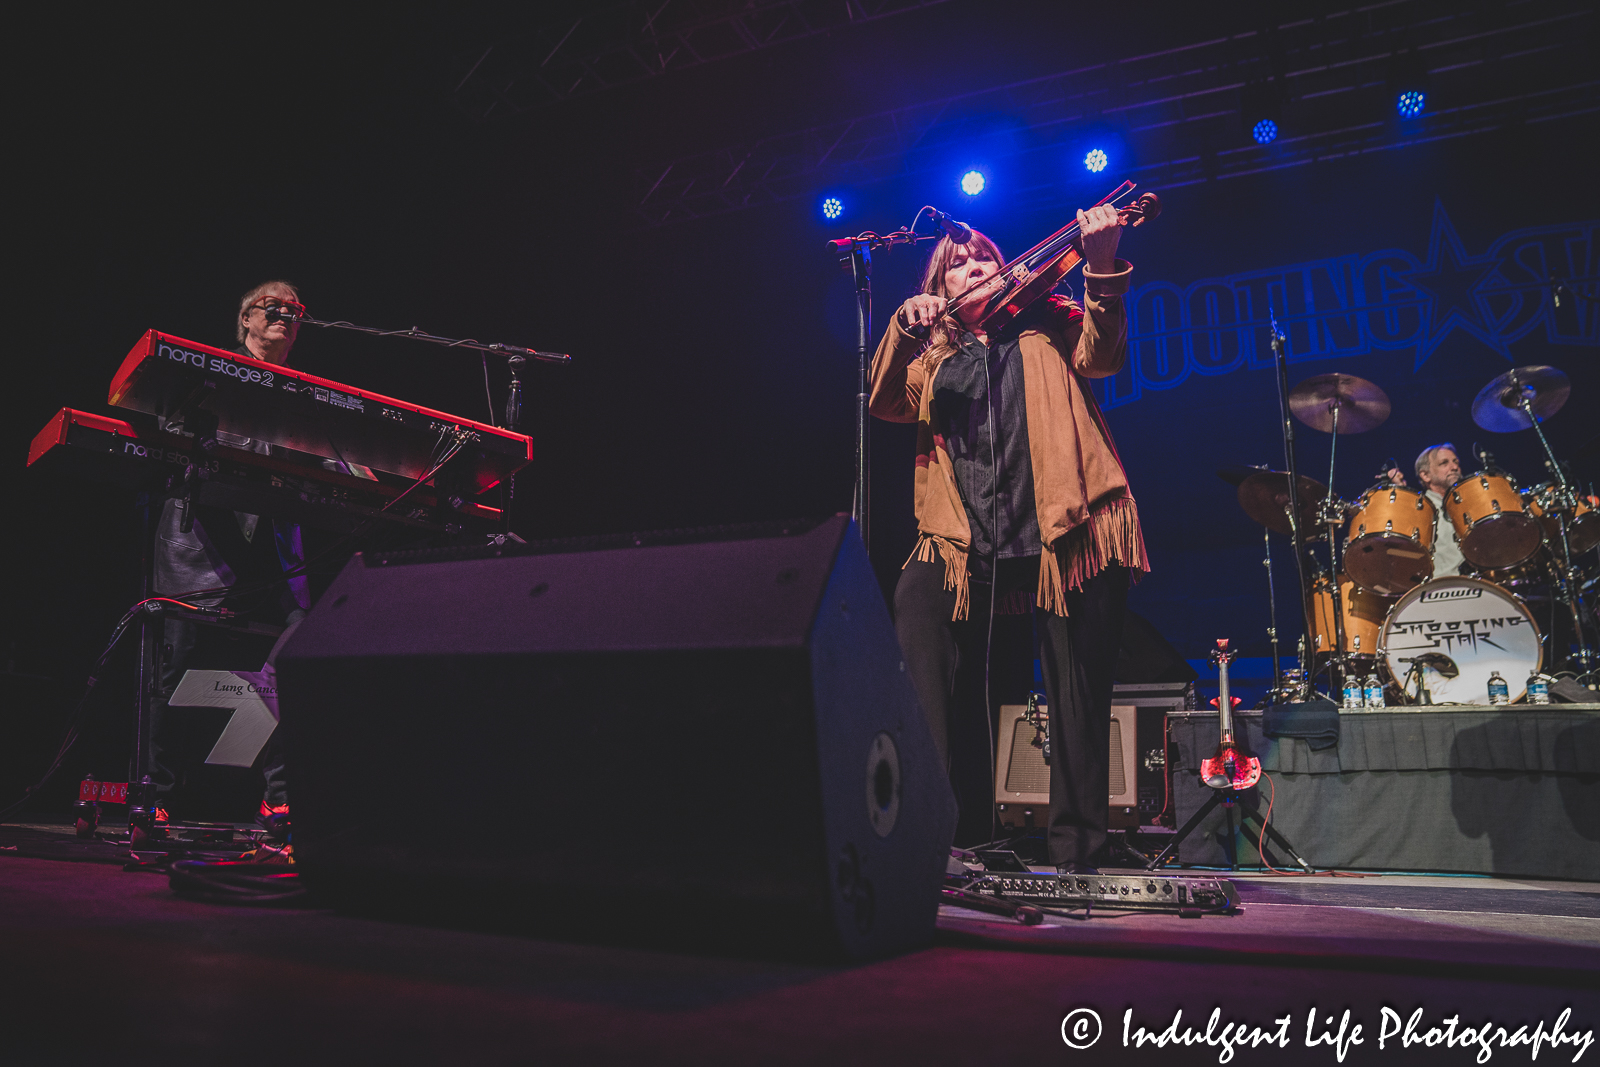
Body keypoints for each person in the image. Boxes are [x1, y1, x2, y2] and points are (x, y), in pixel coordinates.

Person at [868, 205, 1147, 874]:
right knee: (918, 605)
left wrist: (1103, 261)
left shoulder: (1050, 319)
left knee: (1079, 685)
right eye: (957, 265)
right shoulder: (932, 355)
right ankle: (934, 827)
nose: (975, 269)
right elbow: (884, 399)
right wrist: (903, 329)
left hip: (1069, 528)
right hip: (966, 542)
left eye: (985, 260)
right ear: (939, 289)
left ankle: (1080, 847)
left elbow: (1104, 355)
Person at [147, 280, 311, 853]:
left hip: (275, 558)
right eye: (275, 307)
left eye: (296, 311)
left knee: (296, 660)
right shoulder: (212, 372)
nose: (287, 316)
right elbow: (165, 434)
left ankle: (281, 796)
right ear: (245, 321)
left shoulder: (307, 394)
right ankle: (154, 791)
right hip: (204, 548)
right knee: (172, 672)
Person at [1385, 444, 1465, 579]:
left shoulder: (1468, 505)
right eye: (1444, 463)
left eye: (1455, 462)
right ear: (1425, 475)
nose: (1454, 467)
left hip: (1473, 586)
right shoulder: (1418, 508)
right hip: (1435, 590)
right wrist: (1403, 495)